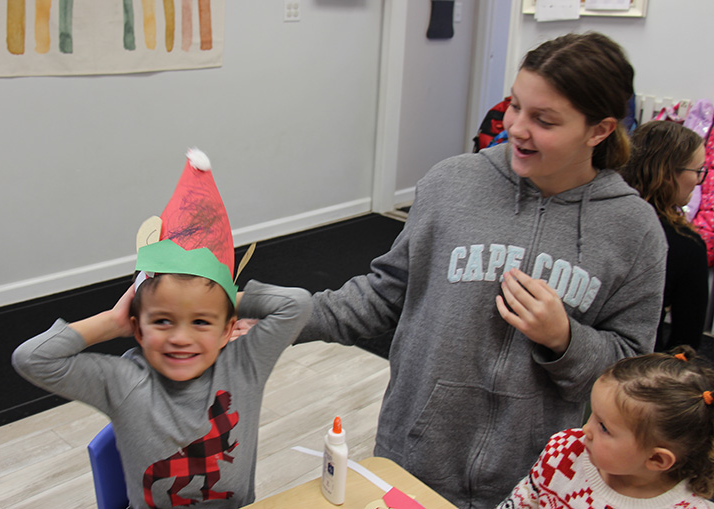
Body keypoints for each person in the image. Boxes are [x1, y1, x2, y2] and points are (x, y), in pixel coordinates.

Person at [295, 32, 668, 508]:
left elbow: (632, 373)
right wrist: (281, 314)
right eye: (515, 106)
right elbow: (383, 296)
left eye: (544, 119)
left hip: (539, 482)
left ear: (599, 130)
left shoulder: (634, 230)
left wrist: (564, 339)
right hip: (415, 459)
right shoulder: (452, 182)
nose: (516, 127)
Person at [12, 149, 313, 508]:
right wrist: (112, 321)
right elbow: (32, 359)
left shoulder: (243, 367)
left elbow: (297, 305)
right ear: (138, 330)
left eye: (200, 321)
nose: (181, 338)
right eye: (162, 321)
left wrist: (220, 295)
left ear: (227, 328)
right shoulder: (123, 381)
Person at [498, 346, 714, 508]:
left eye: (604, 427)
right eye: (592, 415)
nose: (585, 430)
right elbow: (523, 500)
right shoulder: (565, 451)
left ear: (656, 459)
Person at [620, 121, 708, 351]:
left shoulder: (598, 215)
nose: (699, 180)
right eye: (698, 171)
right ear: (668, 173)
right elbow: (685, 345)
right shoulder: (685, 245)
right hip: (635, 372)